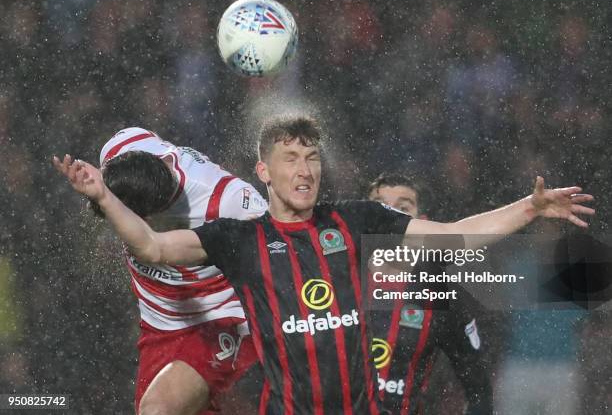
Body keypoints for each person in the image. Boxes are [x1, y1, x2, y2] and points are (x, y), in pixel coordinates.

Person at [53, 115, 594, 414]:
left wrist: (530, 207)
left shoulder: (353, 223)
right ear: (264, 171)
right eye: (291, 159)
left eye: (312, 158)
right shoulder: (241, 238)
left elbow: (451, 237)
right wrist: (102, 196)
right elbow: (151, 247)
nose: (305, 170)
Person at [92, 127, 267, 415]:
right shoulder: (122, 148)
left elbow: (281, 254)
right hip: (160, 324)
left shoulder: (230, 200)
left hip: (223, 317)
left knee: (158, 410)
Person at [367, 172, 492, 414]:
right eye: (380, 207)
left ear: (420, 223)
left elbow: (479, 389)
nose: (391, 216)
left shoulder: (439, 295)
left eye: (402, 208)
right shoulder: (335, 276)